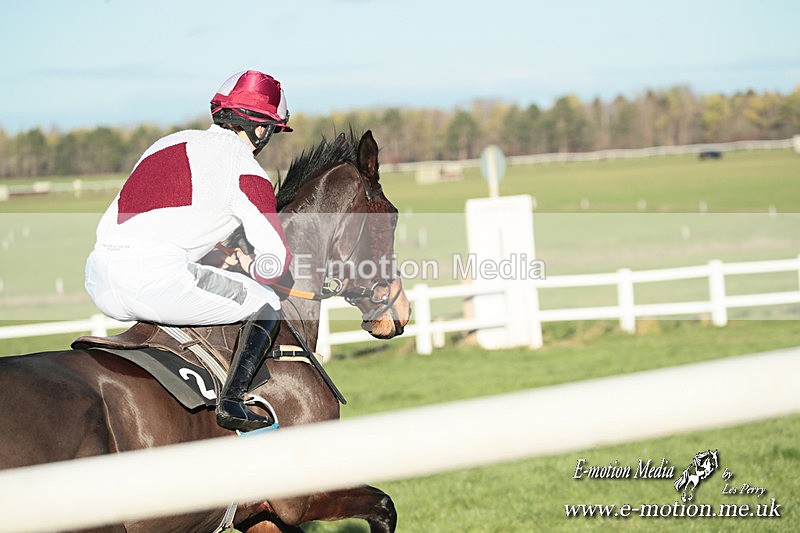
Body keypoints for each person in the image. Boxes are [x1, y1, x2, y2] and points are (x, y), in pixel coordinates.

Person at [85, 70, 294, 432]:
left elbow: (167, 217)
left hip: (98, 276)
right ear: (260, 129)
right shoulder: (247, 170)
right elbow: (277, 262)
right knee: (265, 303)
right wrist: (250, 263)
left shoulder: (167, 142)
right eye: (271, 130)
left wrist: (216, 251)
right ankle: (232, 402)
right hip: (154, 281)